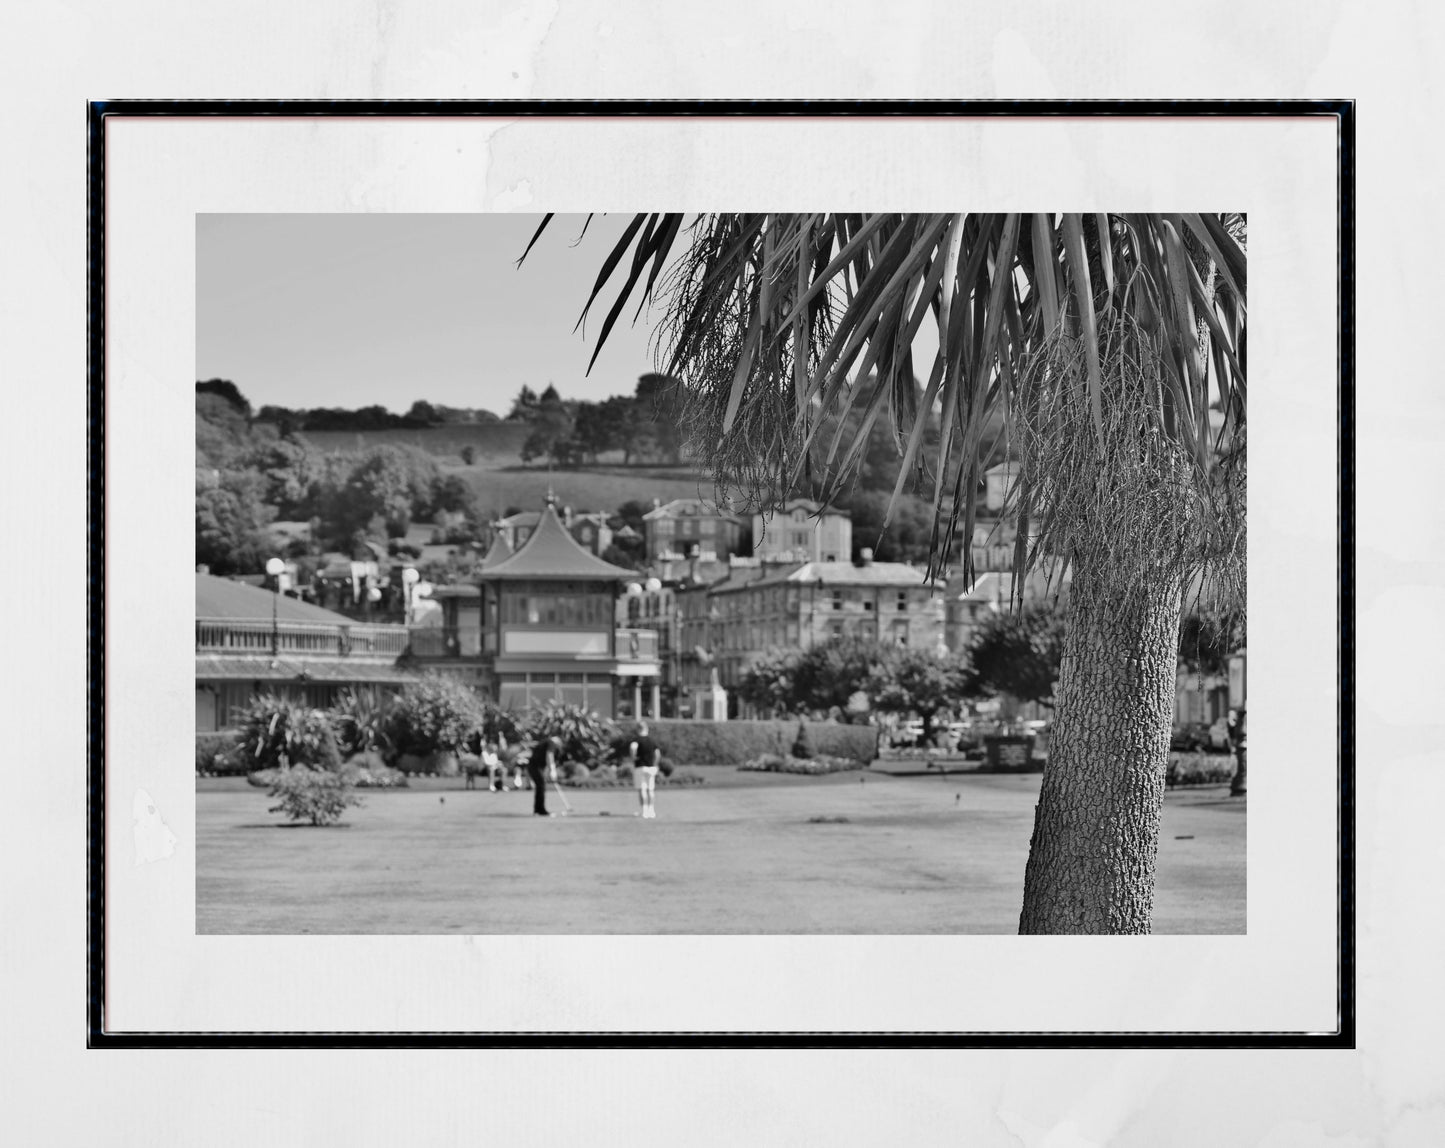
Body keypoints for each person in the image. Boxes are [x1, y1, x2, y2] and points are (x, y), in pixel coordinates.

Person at [629, 721, 662, 819]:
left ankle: (644, 811)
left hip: (640, 767)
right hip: (651, 767)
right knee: (650, 789)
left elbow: (632, 748)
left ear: (638, 729)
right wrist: (655, 764)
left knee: (642, 789)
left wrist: (633, 758)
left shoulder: (636, 740)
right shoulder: (652, 740)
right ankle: (651, 811)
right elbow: (657, 754)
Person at [526, 736, 560, 816]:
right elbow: (549, 755)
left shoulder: (544, 742)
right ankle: (540, 810)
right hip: (535, 766)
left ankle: (538, 809)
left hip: (533, 766)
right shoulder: (551, 743)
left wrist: (548, 771)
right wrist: (552, 769)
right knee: (541, 785)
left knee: (540, 786)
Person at [1227, 706, 1247, 796]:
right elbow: (1231, 728)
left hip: (1236, 742)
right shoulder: (1232, 721)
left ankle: (1240, 780)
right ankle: (1239, 780)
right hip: (1235, 741)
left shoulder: (1235, 721)